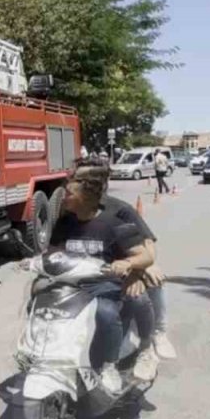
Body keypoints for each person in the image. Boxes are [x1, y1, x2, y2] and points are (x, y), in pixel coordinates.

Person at [49, 161, 157, 393]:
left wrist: (127, 264)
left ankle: (110, 365)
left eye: (68, 193)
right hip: (71, 286)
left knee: (105, 312)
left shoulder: (115, 222)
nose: (63, 197)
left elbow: (145, 255)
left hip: (103, 287)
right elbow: (52, 253)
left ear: (85, 196)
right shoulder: (65, 223)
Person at [73, 156, 178, 361]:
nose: (80, 184)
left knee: (151, 279)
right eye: (77, 178)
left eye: (88, 179)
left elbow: (148, 246)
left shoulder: (120, 210)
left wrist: (139, 268)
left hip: (119, 271)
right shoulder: (68, 209)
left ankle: (157, 333)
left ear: (103, 182)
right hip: (80, 275)